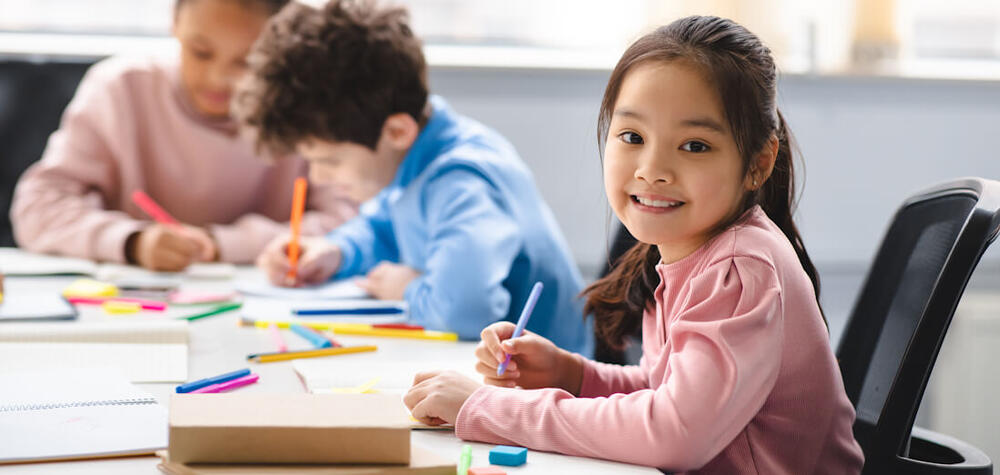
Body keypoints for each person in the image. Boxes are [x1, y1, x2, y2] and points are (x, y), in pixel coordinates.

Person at [403, 16, 864, 473]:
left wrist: (490, 409)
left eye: (695, 146)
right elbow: (666, 389)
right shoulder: (687, 254)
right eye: (632, 137)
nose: (652, 168)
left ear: (758, 164)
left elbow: (674, 433)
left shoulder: (740, 270)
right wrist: (571, 374)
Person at [241, 0, 592, 354]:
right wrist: (337, 251)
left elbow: (467, 311)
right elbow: (386, 229)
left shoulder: (459, 181)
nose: (317, 177)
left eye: (329, 160)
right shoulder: (416, 151)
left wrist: (406, 289)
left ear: (396, 132)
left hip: (550, 387)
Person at [10, 0, 355, 271]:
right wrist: (131, 242)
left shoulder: (308, 106)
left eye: (248, 61)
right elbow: (37, 208)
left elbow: (355, 225)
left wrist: (226, 244)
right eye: (200, 52)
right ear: (174, 24)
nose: (219, 79)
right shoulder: (120, 89)